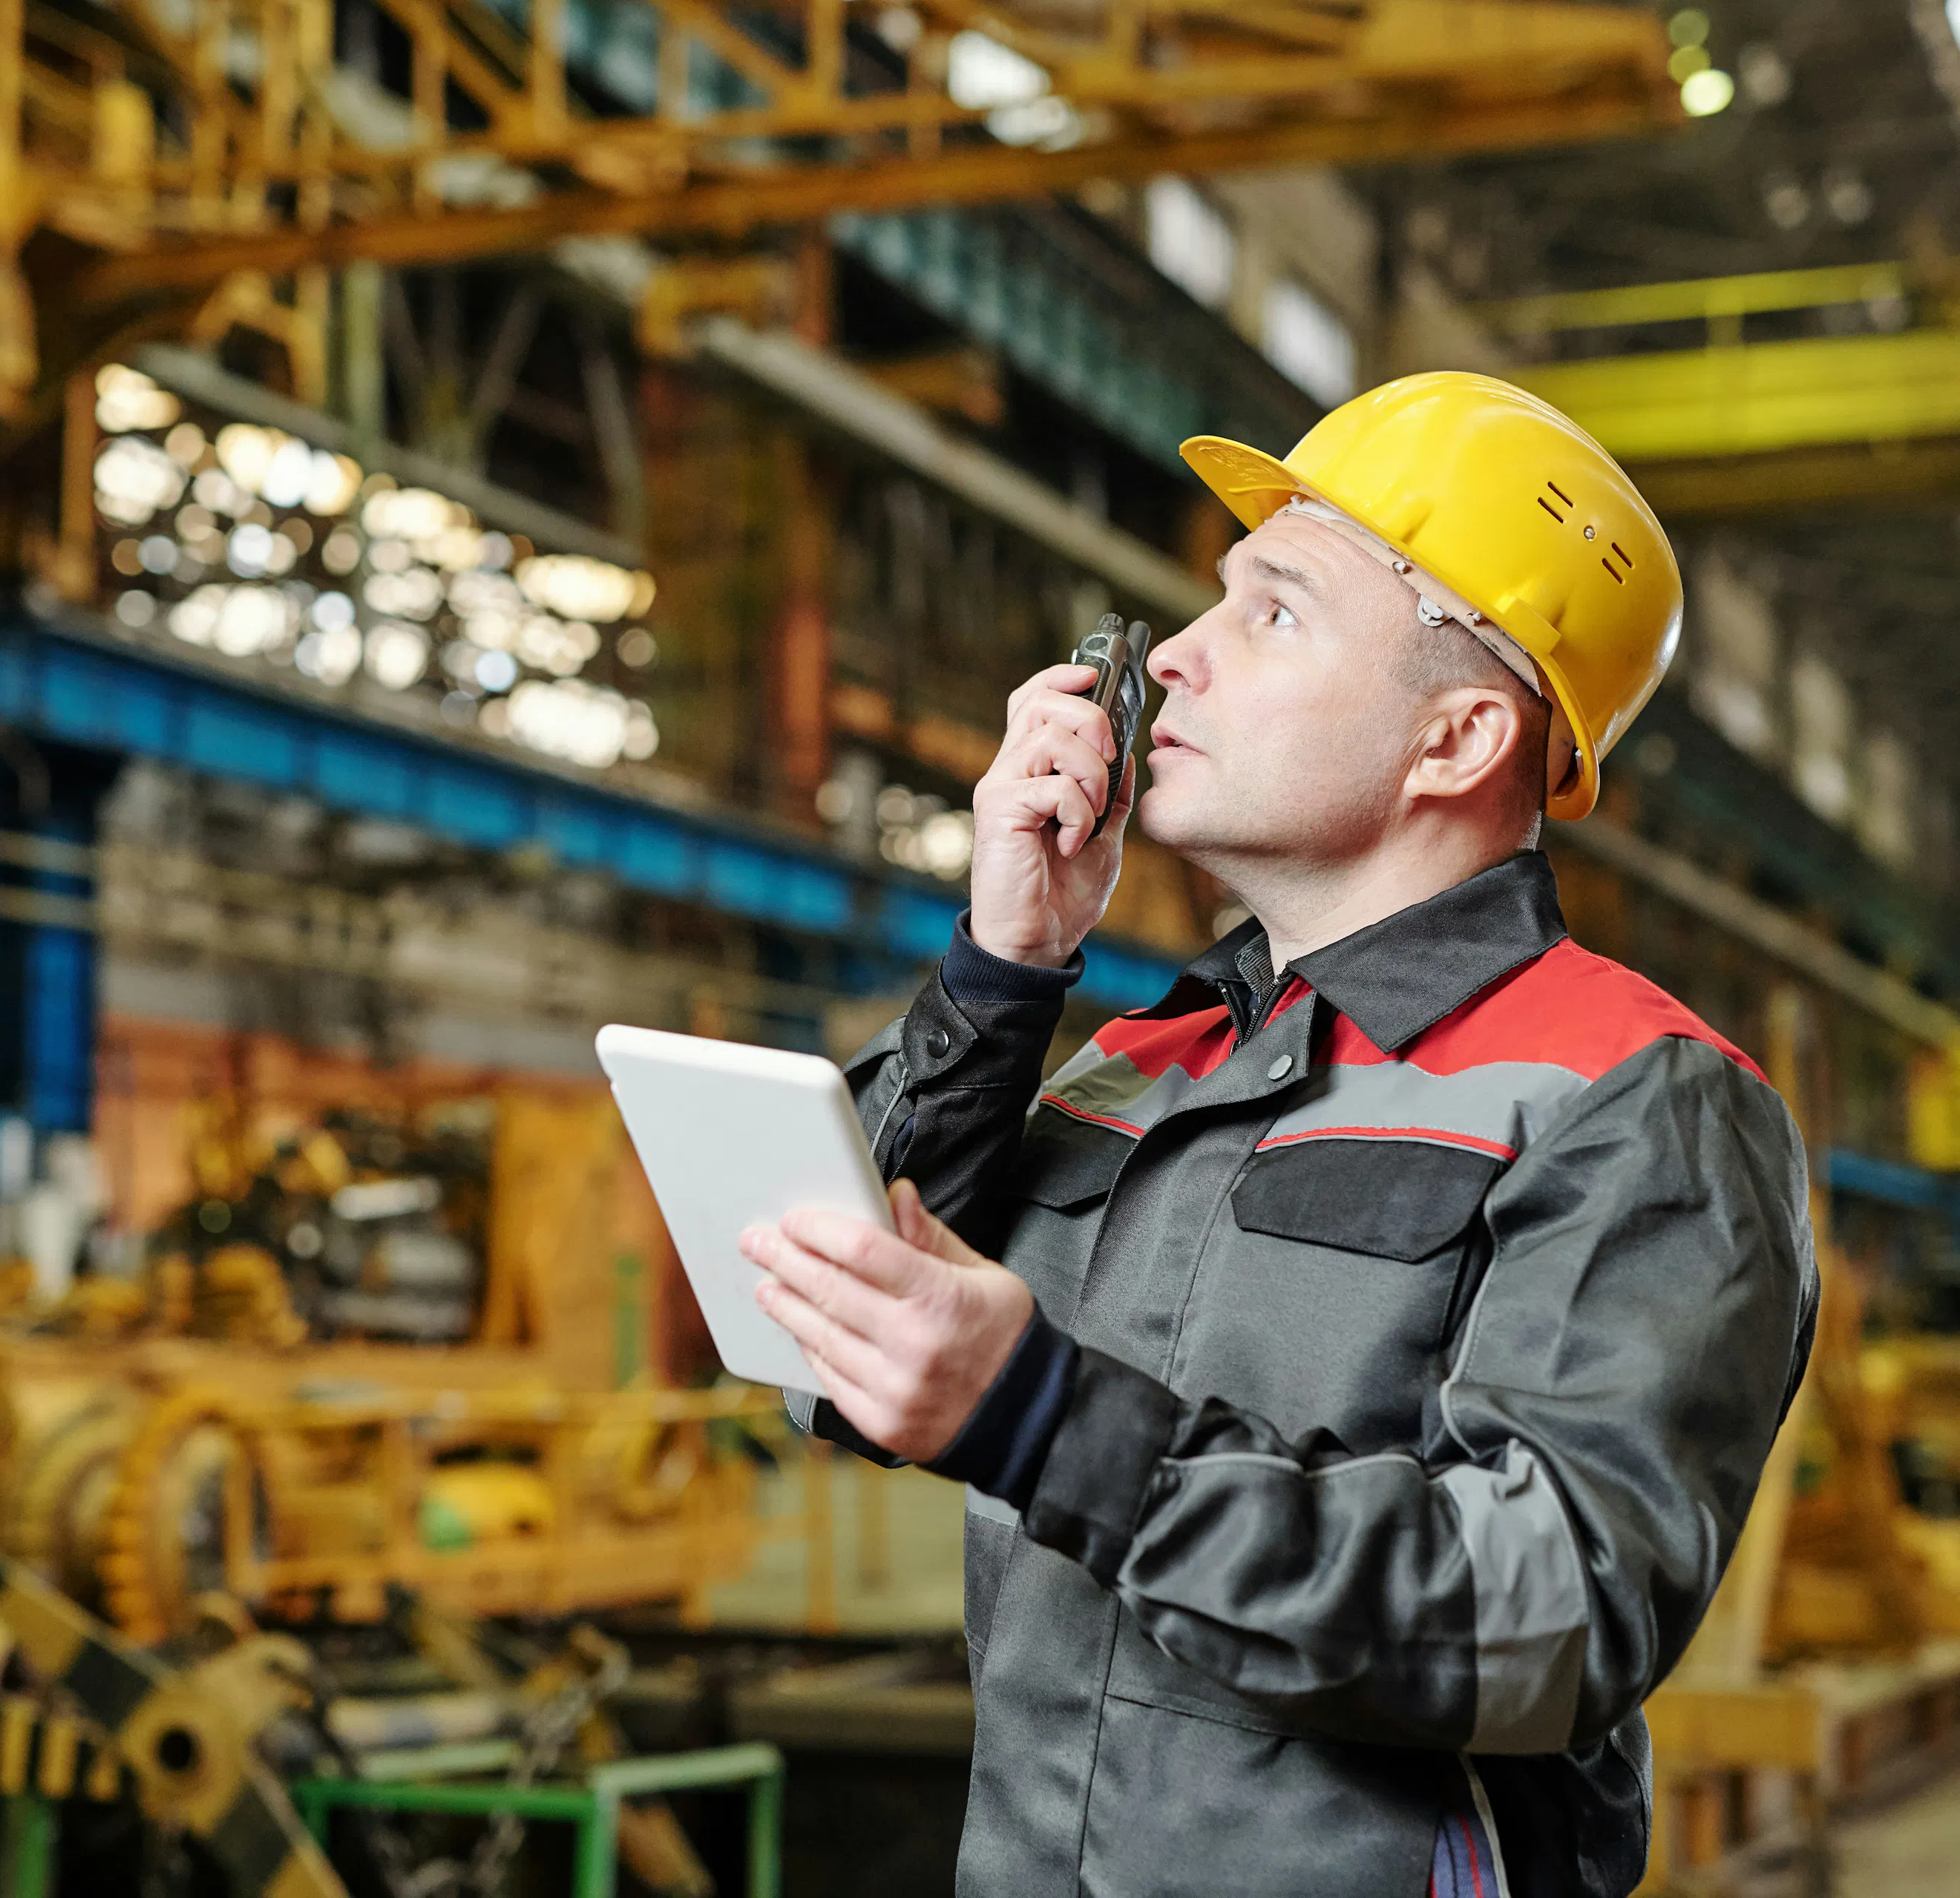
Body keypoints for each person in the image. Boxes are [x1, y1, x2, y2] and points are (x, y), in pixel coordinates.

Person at [744, 373, 1818, 1898]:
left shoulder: (1636, 1094)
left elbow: (1547, 1613)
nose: (1176, 653)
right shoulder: (1148, 1056)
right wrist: (1004, 964)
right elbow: (819, 1331)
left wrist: (1045, 1419)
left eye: (1276, 613)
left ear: (1455, 737)